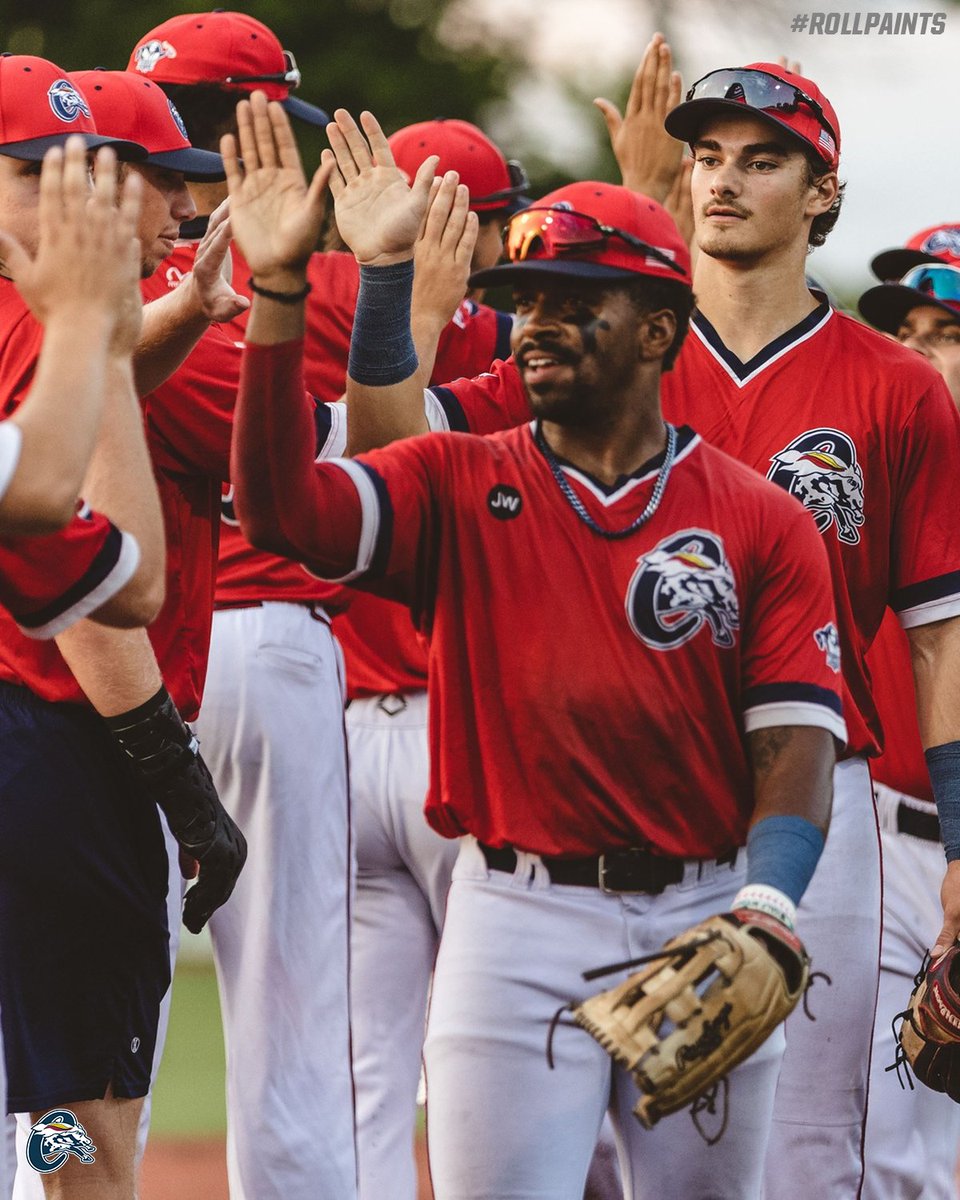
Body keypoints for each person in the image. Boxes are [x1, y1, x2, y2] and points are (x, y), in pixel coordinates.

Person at [227, 95, 847, 1200]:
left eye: (572, 301)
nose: (534, 323)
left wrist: (772, 904)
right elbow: (286, 515)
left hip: (705, 915)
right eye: (520, 301)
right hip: (511, 918)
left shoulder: (762, 517)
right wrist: (280, 295)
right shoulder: (458, 477)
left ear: (660, 328)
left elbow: (794, 738)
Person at [127, 16, 527, 1196]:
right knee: (297, 1033)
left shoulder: (77, 283)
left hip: (109, 665)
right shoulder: (341, 274)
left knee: (94, 1017)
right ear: (264, 126)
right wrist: (423, 301)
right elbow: (394, 451)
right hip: (283, 653)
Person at [650, 57, 960, 1198]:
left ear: (822, 191)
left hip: (820, 805)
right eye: (708, 157)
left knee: (813, 1152)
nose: (723, 182)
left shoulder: (895, 386)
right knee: (600, 1145)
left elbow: (938, 633)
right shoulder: (623, 360)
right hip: (625, 794)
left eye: (762, 160)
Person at [0, 62, 246, 1200]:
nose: (65, 203)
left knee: (41, 1099)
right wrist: (93, 334)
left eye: (77, 172)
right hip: (46, 763)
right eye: (33, 174)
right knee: (84, 1124)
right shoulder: (29, 334)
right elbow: (117, 583)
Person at [856, 262, 960, 1200]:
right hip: (886, 844)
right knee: (881, 1158)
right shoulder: (873, 470)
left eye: (950, 329)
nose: (919, 344)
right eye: (910, 326)